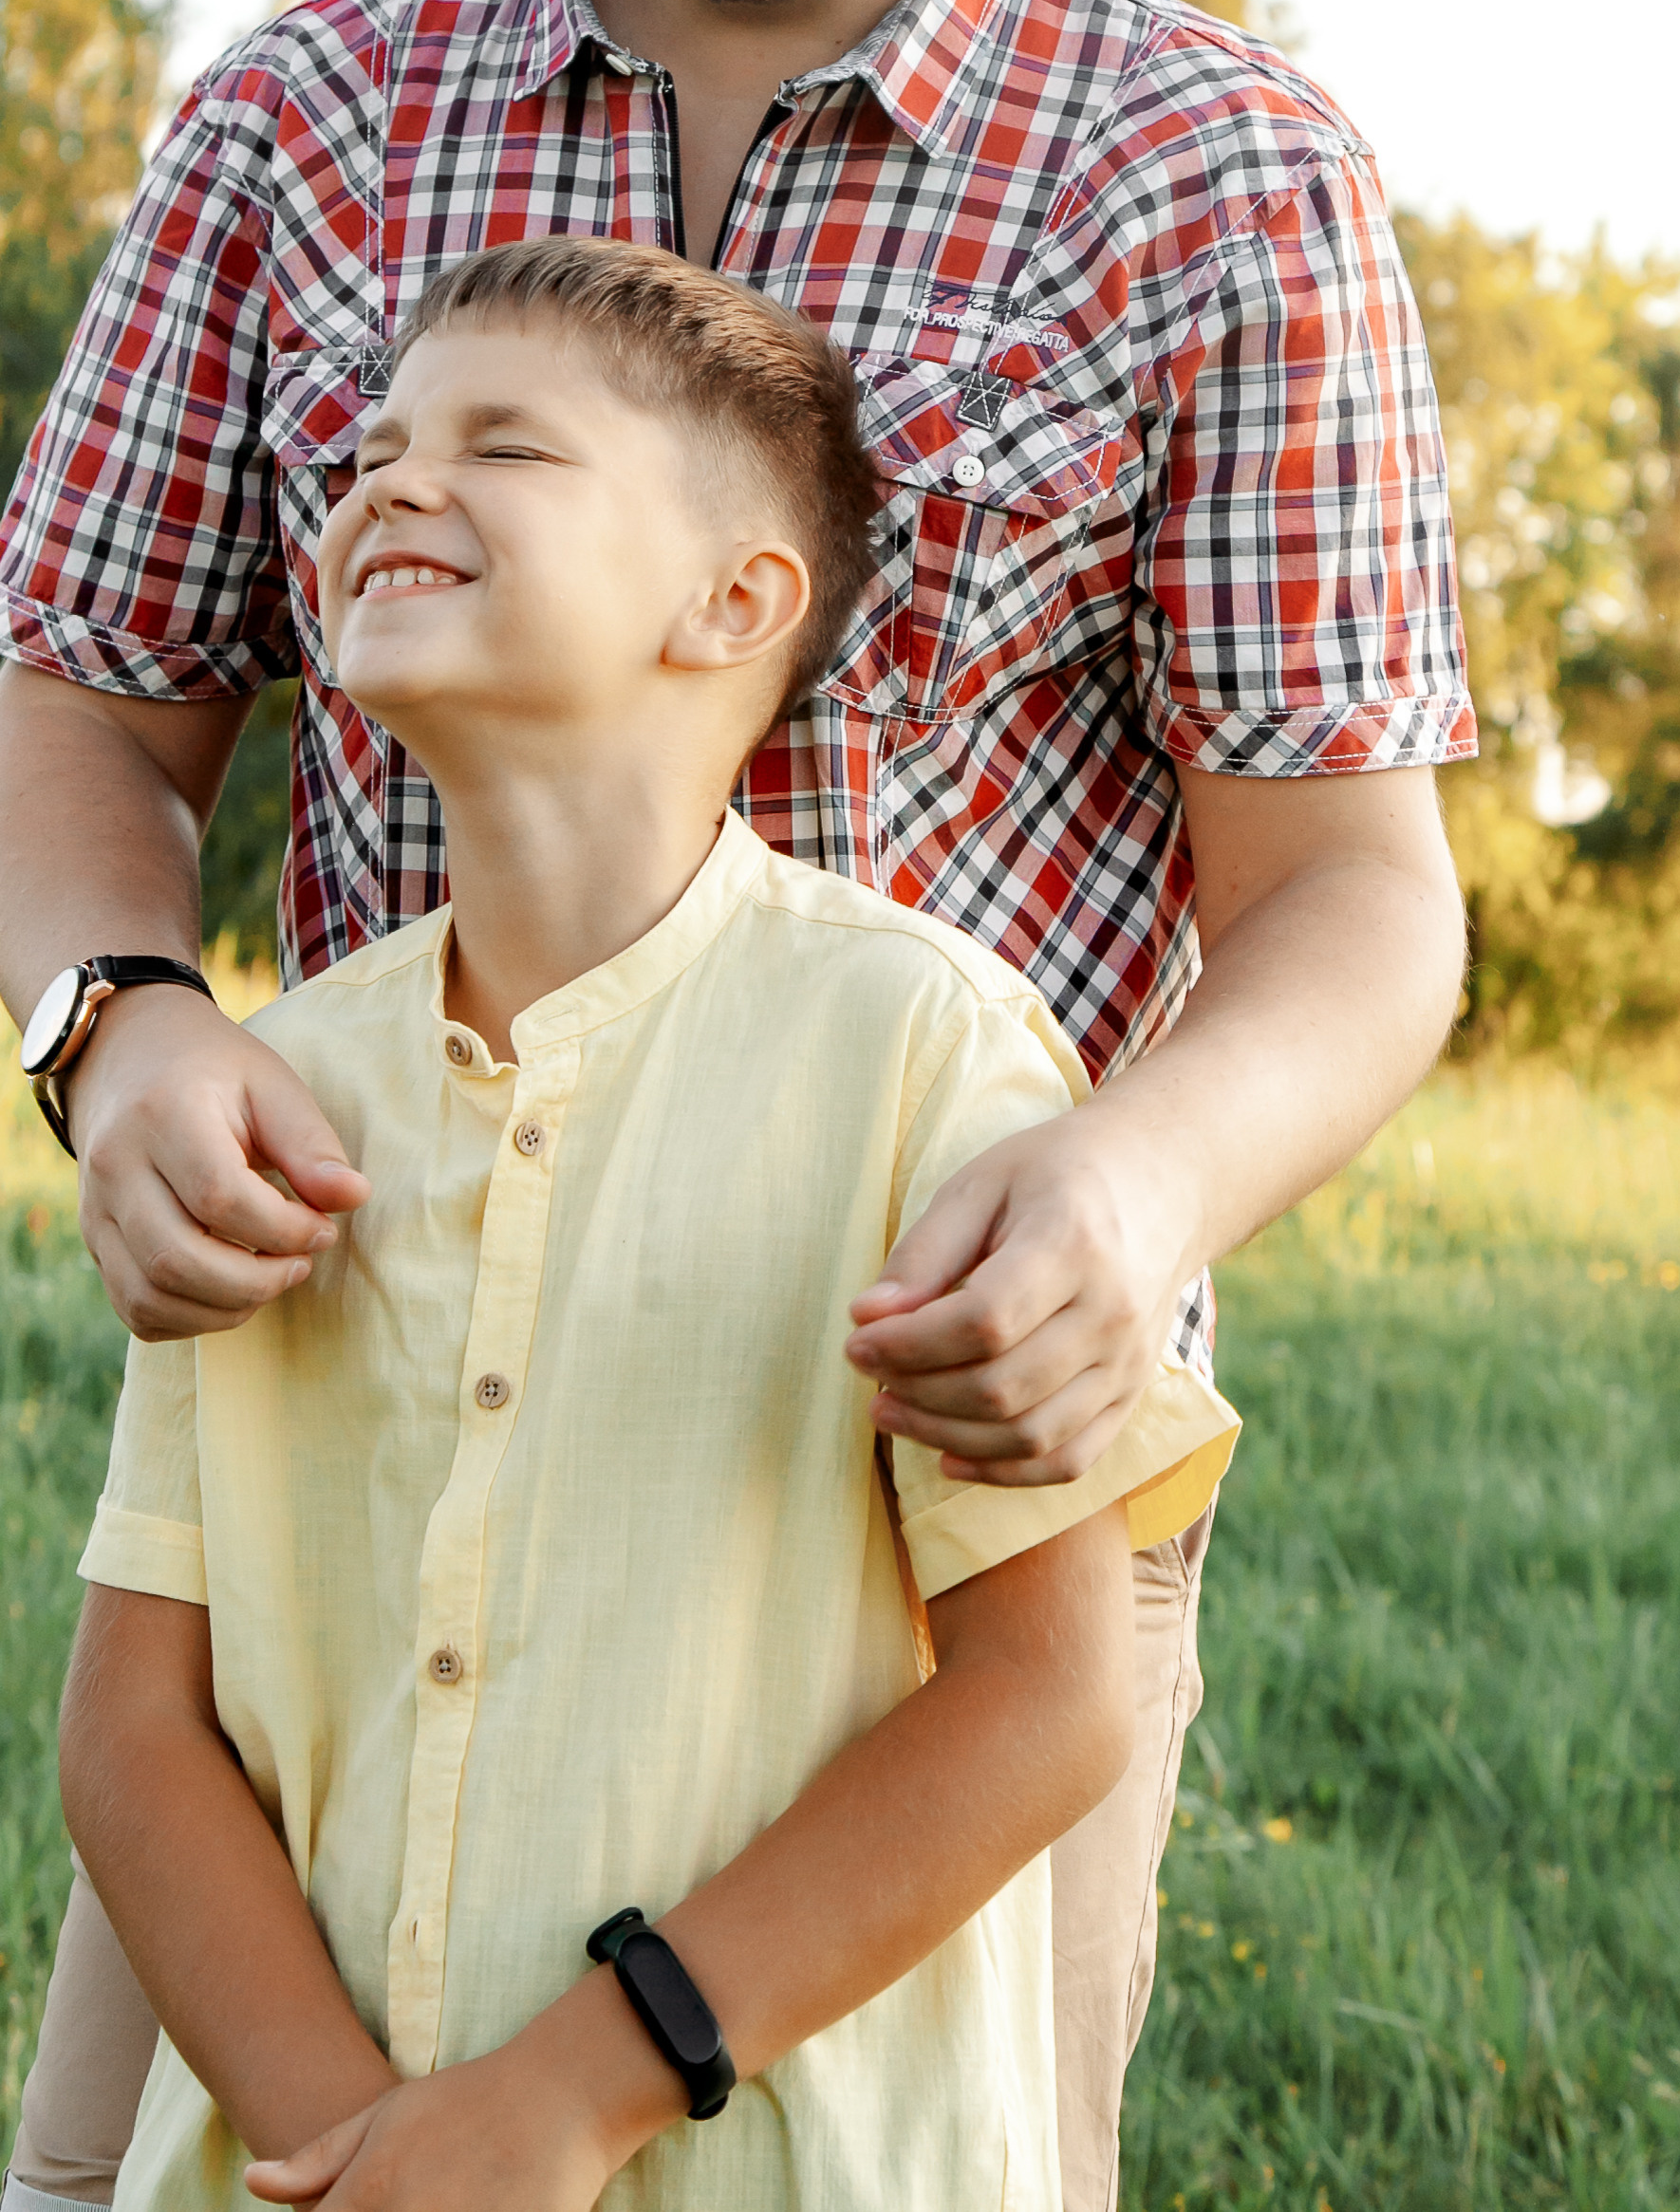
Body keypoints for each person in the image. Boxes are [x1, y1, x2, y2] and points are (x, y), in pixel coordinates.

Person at [0, 0, 1471, 2211]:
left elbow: (1354, 899)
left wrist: (1131, 1180)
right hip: (350, 1452)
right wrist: (111, 1038)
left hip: (912, 1527)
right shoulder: (307, 120)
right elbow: (81, 731)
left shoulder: (1217, 175)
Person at [60, 236, 1240, 2212]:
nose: (388, 484)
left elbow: (1044, 1700)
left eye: (501, 444)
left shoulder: (917, 1050)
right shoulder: (275, 1091)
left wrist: (574, 2091)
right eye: (370, 448)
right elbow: (133, 1722)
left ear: (734, 598)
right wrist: (349, 2141)